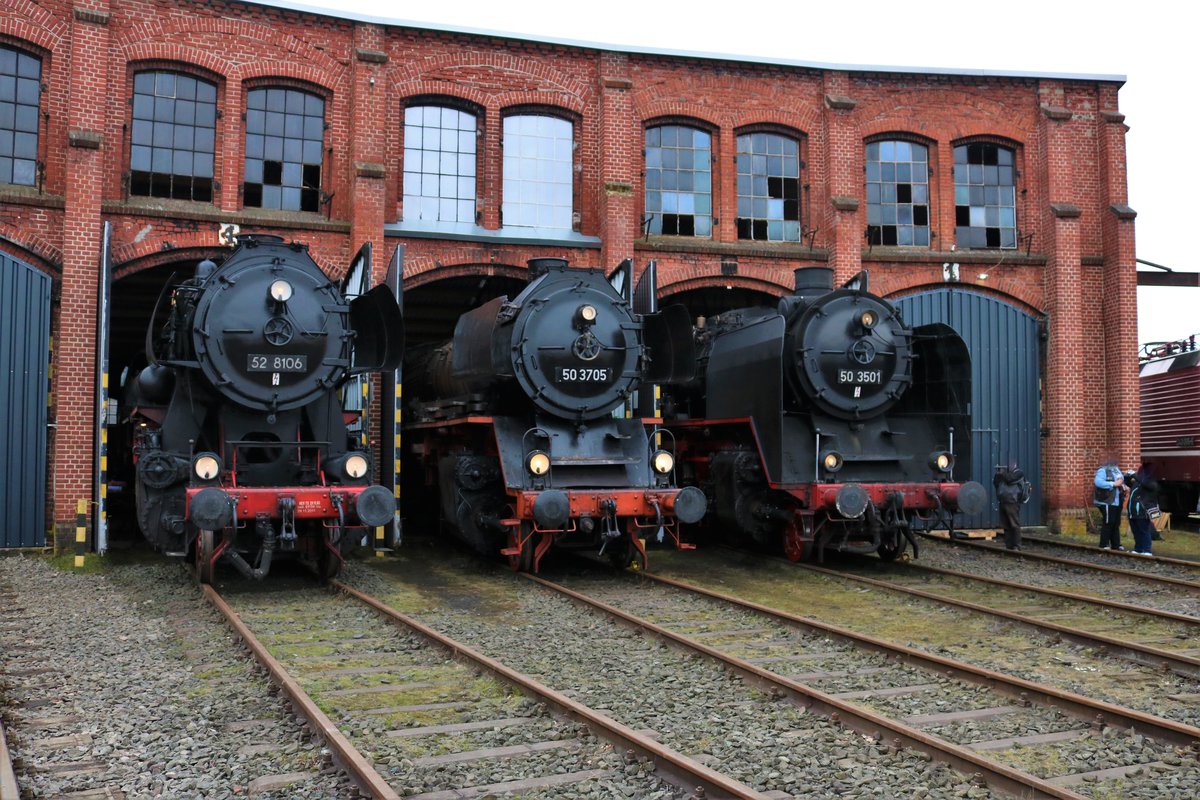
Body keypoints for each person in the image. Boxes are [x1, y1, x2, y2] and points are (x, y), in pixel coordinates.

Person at [1094, 457, 1126, 551]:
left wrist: (1123, 486)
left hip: (1117, 500)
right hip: (1106, 501)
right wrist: (1113, 484)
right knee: (1108, 522)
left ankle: (1116, 544)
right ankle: (1104, 544)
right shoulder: (1102, 470)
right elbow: (1098, 482)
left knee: (1116, 523)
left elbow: (1120, 481)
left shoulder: (1116, 470)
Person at [993, 460, 1026, 550]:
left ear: (1014, 465)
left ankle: (1017, 545)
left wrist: (1002, 474)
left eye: (1010, 464)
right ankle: (1009, 545)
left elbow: (1009, 479)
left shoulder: (1019, 473)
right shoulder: (1004, 475)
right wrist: (997, 475)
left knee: (1014, 524)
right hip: (1003, 501)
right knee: (1006, 525)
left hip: (1012, 502)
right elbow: (996, 483)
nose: (1008, 466)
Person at [1126, 471, 1154, 556]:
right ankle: (1138, 549)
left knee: (1144, 531)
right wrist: (1127, 476)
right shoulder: (1136, 484)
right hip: (1133, 512)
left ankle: (1147, 550)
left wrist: (1135, 475)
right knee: (1136, 531)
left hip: (1142, 512)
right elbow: (1127, 482)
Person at [1136, 463, 1163, 542]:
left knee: (1146, 522)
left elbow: (1148, 485)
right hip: (1146, 502)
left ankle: (1153, 536)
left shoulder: (1151, 482)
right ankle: (1154, 535)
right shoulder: (1145, 478)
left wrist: (1136, 477)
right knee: (1146, 522)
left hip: (1148, 503)